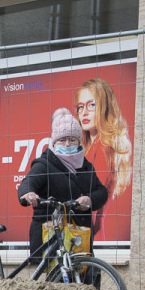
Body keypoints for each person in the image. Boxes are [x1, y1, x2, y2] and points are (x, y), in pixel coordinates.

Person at [18, 109, 107, 265]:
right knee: (52, 285)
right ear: (54, 142)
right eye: (62, 140)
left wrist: (90, 199)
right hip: (50, 237)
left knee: (86, 282)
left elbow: (102, 192)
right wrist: (29, 193)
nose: (67, 144)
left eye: (72, 139)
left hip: (80, 238)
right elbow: (28, 183)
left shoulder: (86, 167)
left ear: (79, 141)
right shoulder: (44, 164)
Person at [74, 77, 131, 235]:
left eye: (91, 105)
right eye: (80, 107)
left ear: (105, 107)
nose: (84, 112)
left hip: (92, 233)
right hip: (89, 231)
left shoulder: (104, 147)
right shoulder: (89, 146)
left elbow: (92, 193)